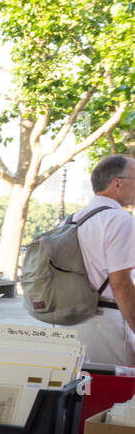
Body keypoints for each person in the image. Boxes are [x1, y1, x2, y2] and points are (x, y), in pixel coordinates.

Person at [75, 154, 135, 367]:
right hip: (107, 321)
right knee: (120, 394)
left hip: (72, 319)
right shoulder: (120, 220)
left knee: (85, 392)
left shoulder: (74, 219)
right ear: (118, 183)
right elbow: (120, 284)